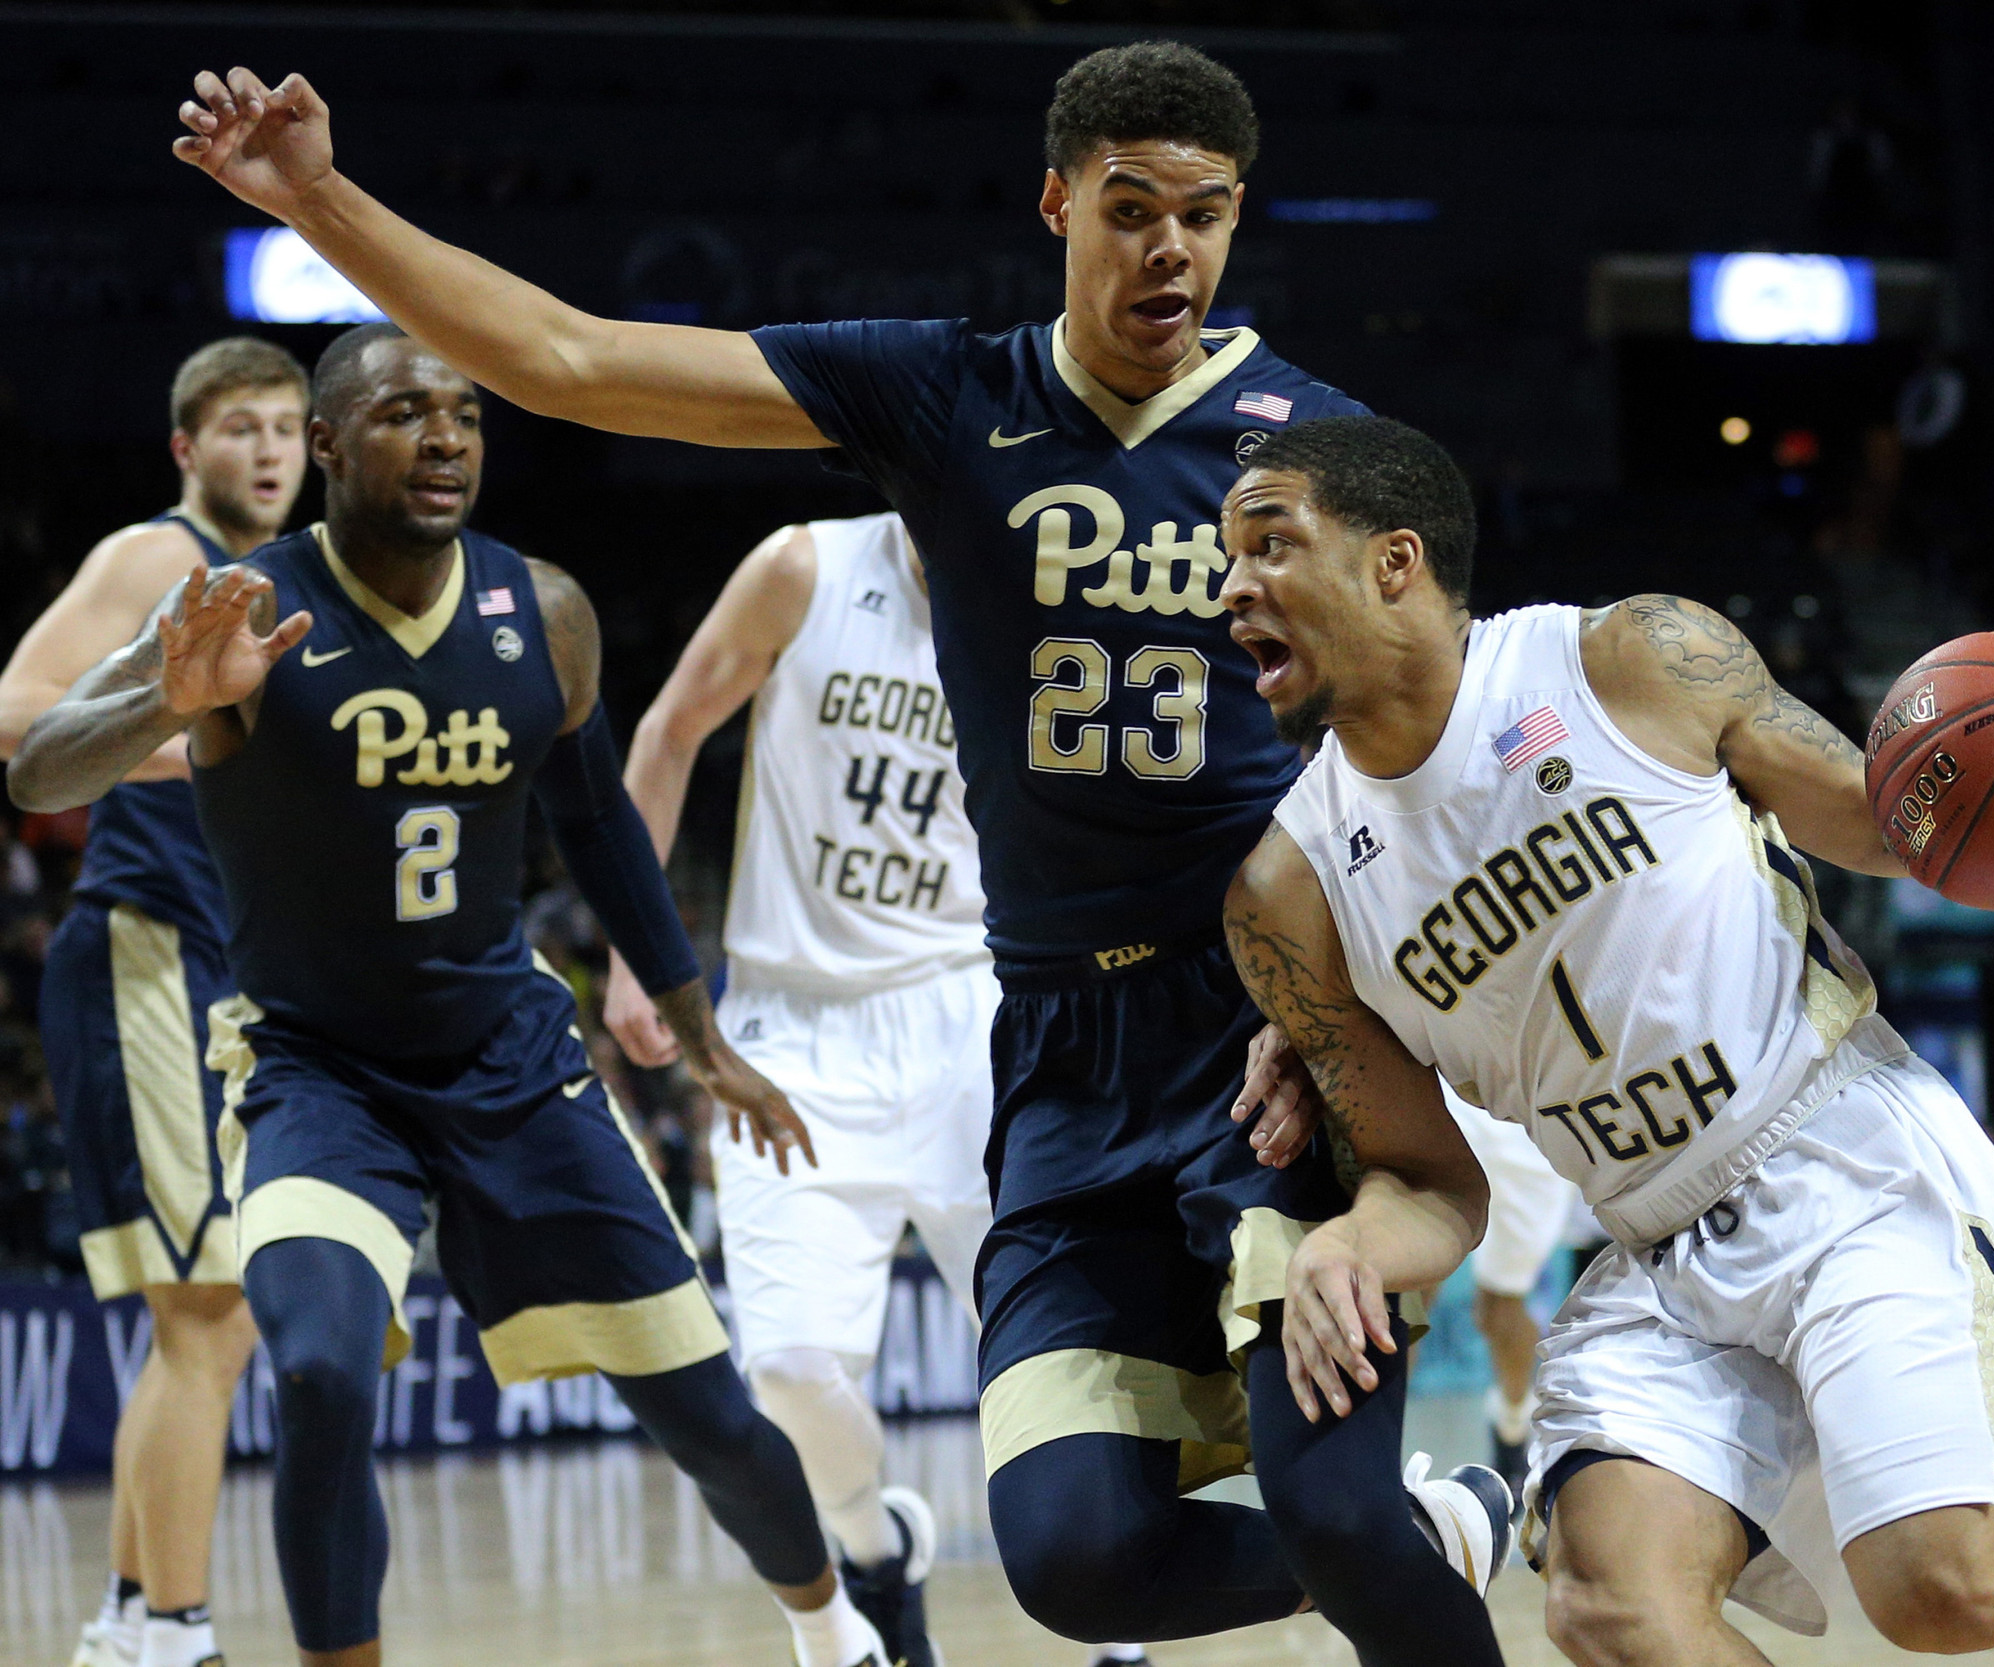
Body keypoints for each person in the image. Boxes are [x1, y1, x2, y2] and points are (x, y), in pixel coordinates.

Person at [166, 44, 1506, 1659]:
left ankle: (1410, 1528)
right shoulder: (949, 394)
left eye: (1205, 217)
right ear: (1057, 203)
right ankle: (1454, 1523)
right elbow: (569, 355)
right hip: (1061, 1053)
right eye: (1132, 209)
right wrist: (317, 197)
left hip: (1257, 1032)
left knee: (1336, 1509)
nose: (1170, 251)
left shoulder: (1325, 447)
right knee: (1078, 1564)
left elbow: (1434, 736)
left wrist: (1349, 1004)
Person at [1214, 414, 1994, 1665]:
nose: (1231, 585)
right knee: (1610, 1603)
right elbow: (1429, 1179)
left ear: (1393, 561)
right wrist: (1355, 1241)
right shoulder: (1286, 892)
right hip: (1651, 1242)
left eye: (1268, 545)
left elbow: (1894, 820)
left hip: (1838, 1160)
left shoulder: (1630, 660)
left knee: (1945, 1592)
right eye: (1225, 556)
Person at [8, 325, 874, 1667]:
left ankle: (833, 1629)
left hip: (509, 1059)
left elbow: (601, 833)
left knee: (704, 1407)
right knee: (313, 1369)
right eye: (406, 411)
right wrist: (155, 707)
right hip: (314, 1069)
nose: (447, 435)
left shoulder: (547, 609)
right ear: (333, 448)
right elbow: (38, 770)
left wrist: (703, 1039)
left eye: (465, 411)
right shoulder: (239, 603)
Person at [600, 512, 1156, 1667]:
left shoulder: (1057, 599)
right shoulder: (803, 565)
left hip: (972, 1006)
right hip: (788, 1025)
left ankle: (1117, 1611)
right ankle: (873, 1543)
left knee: (1051, 1347)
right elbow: (665, 731)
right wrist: (634, 955)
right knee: (790, 1370)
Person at [0, 335, 309, 1667]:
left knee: (196, 1315)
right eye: (241, 428)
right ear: (190, 449)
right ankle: (175, 1629)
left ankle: (131, 1617)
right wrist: (193, 748)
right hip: (147, 949)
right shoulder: (154, 553)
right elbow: (16, 707)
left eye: (289, 429)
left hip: (226, 973)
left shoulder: (298, 579)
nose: (269, 452)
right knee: (214, 1310)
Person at [1438, 1081, 1578, 1500]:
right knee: (1411, 1292)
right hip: (1445, 1095)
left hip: (1535, 1117)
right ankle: (1384, 1454)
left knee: (1500, 1304)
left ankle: (1511, 1429)